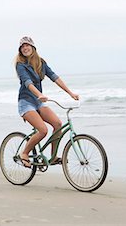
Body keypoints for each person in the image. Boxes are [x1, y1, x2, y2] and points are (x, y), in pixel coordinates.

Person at [15, 36, 79, 168]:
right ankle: (25, 153)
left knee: (58, 124)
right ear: (20, 50)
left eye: (27, 45)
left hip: (38, 102)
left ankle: (53, 156)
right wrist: (39, 94)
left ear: (33, 47)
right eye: (22, 47)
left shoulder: (41, 63)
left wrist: (70, 93)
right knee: (43, 130)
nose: (25, 48)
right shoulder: (20, 65)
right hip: (26, 102)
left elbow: (54, 77)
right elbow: (27, 83)